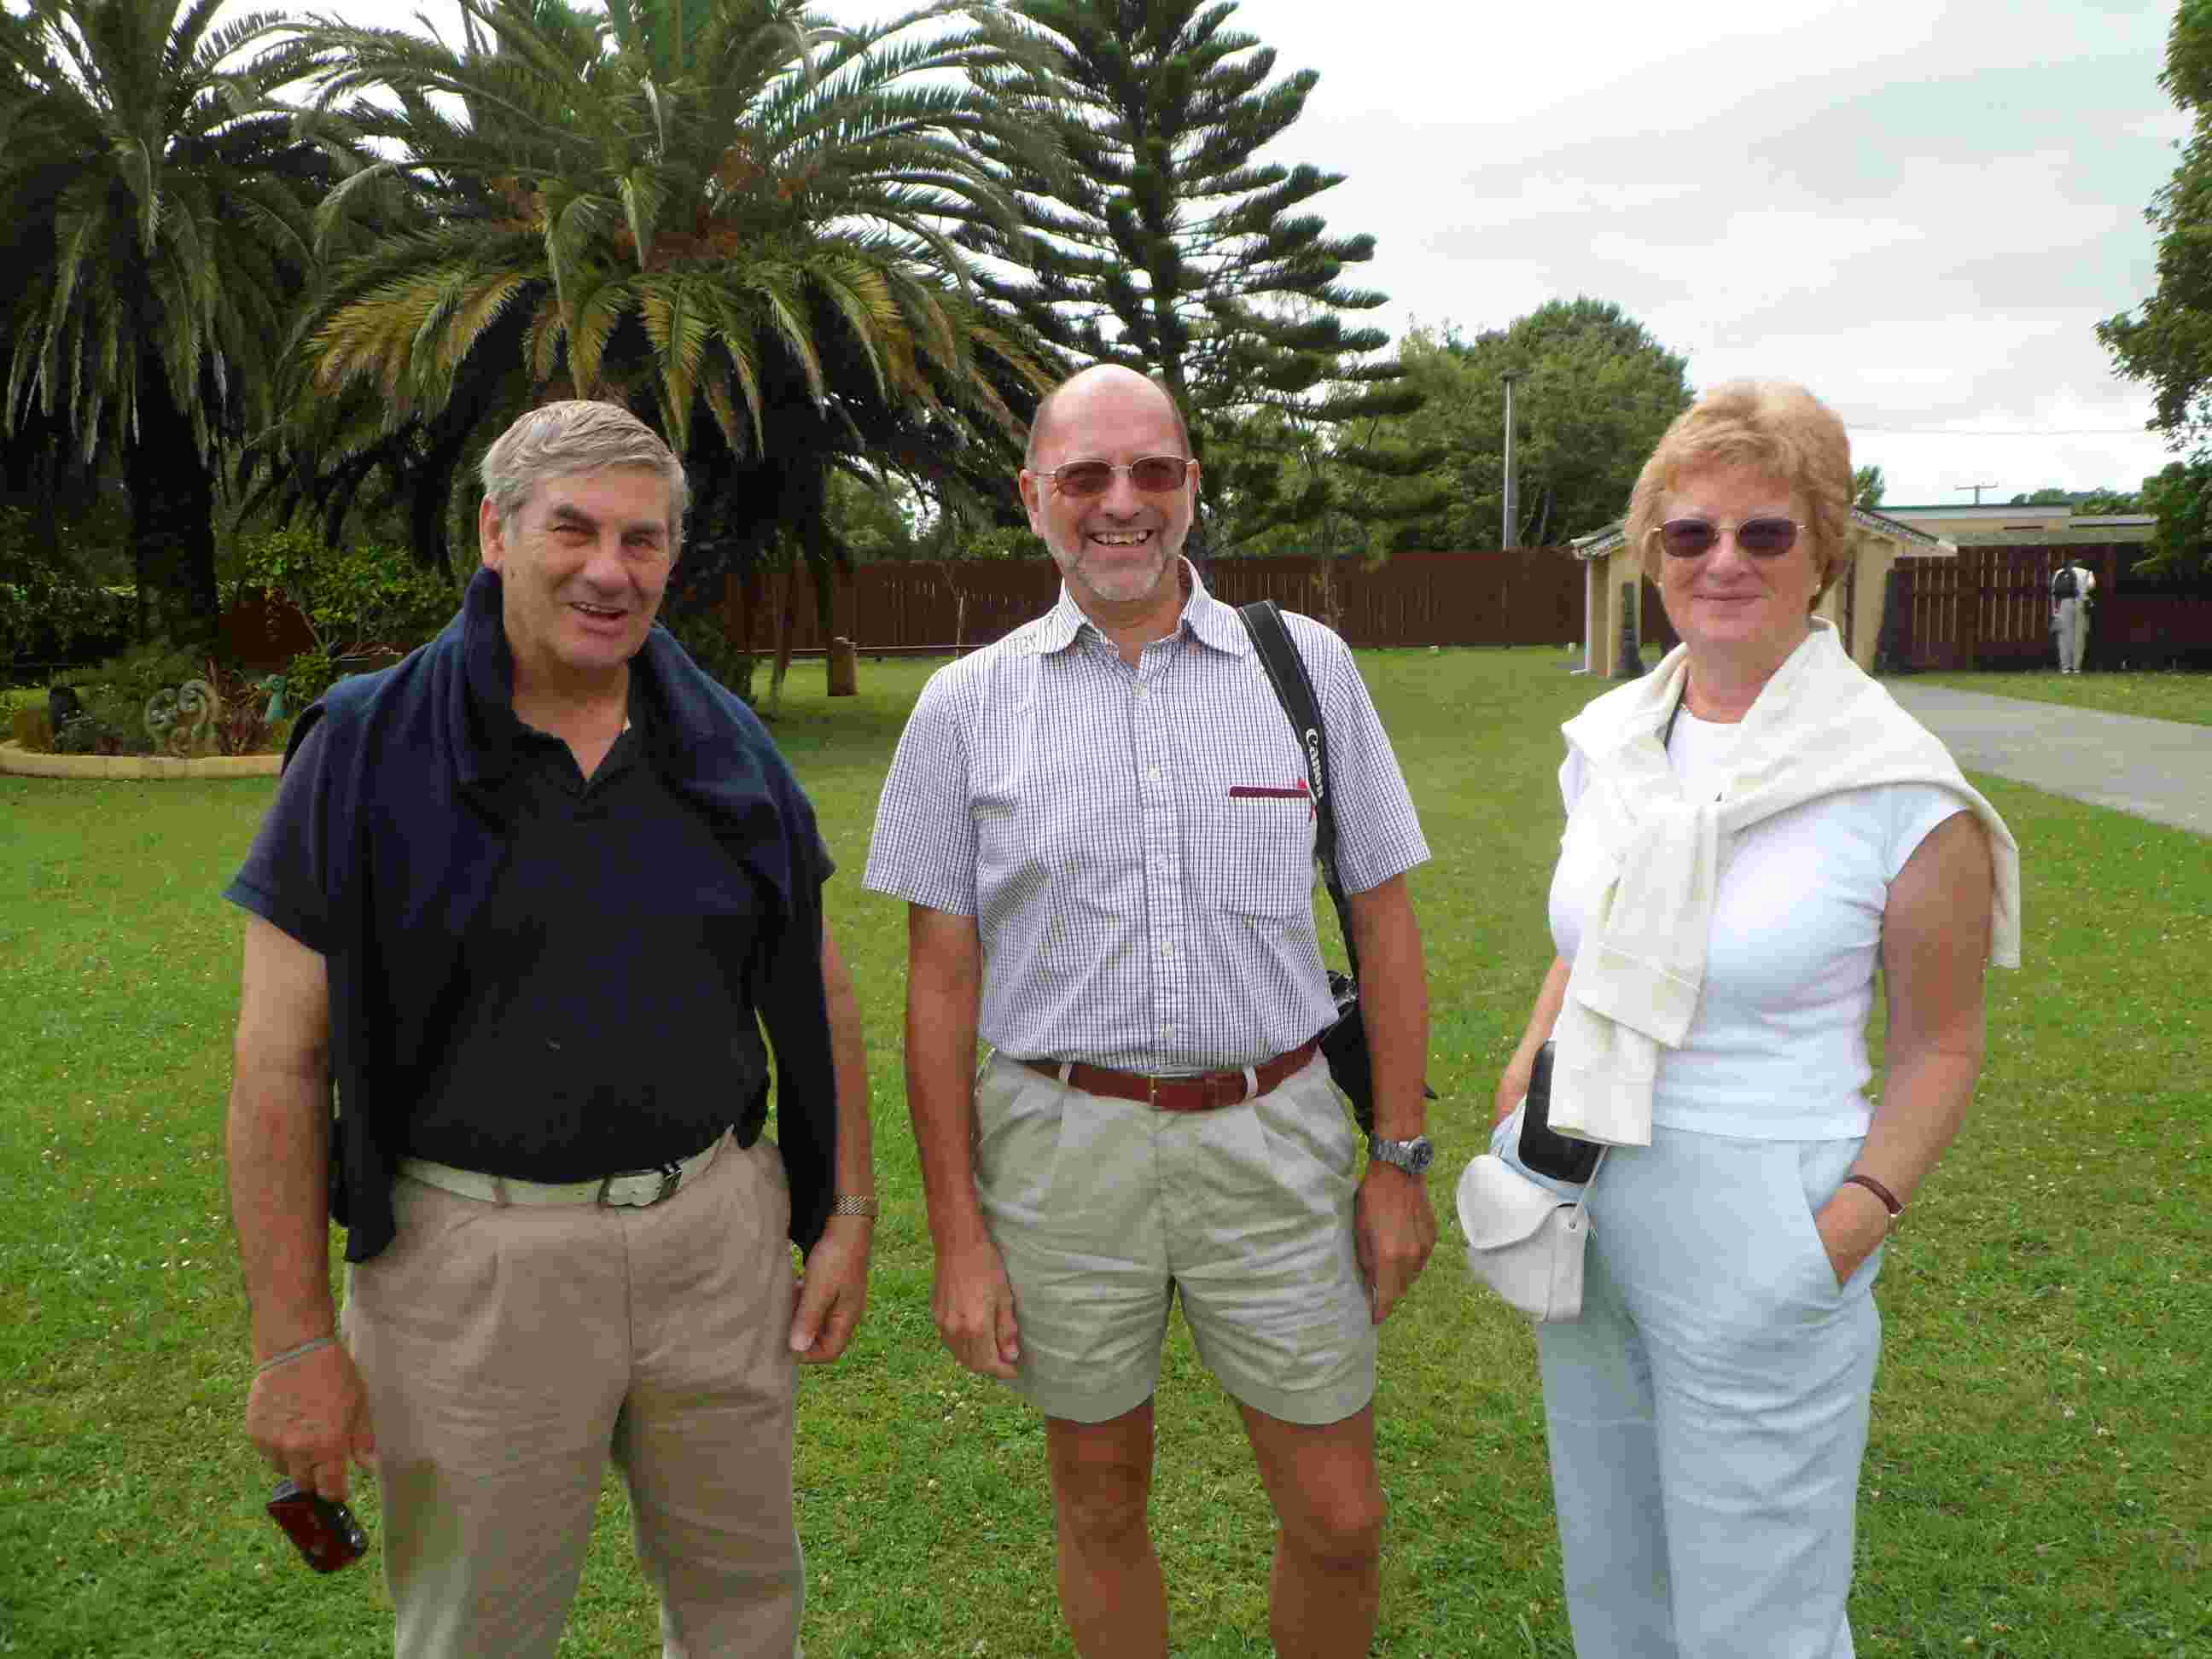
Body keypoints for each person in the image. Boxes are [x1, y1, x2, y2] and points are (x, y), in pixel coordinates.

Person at [224, 399, 875, 1658]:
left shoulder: (726, 746)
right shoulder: (363, 747)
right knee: (478, 1634)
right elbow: (278, 1066)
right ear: (495, 532)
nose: (607, 570)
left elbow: (821, 985)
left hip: (713, 1245)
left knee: (749, 1612)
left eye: (642, 541)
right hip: (474, 1272)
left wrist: (842, 1207)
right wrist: (295, 1342)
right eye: (571, 530)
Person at [864, 364, 1435, 1659]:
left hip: (1272, 1139)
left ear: (1191, 486)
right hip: (1064, 1150)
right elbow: (939, 985)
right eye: (1086, 477)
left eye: (1154, 472)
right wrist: (959, 1234)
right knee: (1101, 1502)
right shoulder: (964, 708)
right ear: (1034, 500)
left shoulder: (1305, 671)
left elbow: (1385, 924)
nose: (1122, 505)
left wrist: (1399, 1161)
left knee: (1340, 1517)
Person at [1487, 381, 2022, 1658]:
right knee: (1619, 1576)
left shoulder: (1898, 788)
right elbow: (1587, 945)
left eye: (1763, 534)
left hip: (1769, 1220)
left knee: (1760, 1616)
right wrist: (1520, 1093)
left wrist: (1848, 1228)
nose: (1723, 561)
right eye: (1691, 535)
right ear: (1653, 556)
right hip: (1590, 1201)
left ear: (1822, 553)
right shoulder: (1613, 744)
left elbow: (1940, 1047)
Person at [2052, 555, 2096, 673]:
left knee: (2064, 636)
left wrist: (2055, 611)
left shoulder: (2059, 572)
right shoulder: (2087, 572)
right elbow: (2091, 586)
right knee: (2079, 636)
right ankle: (2077, 668)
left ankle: (2065, 667)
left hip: (2063, 604)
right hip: (2080, 604)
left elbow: (2054, 591)